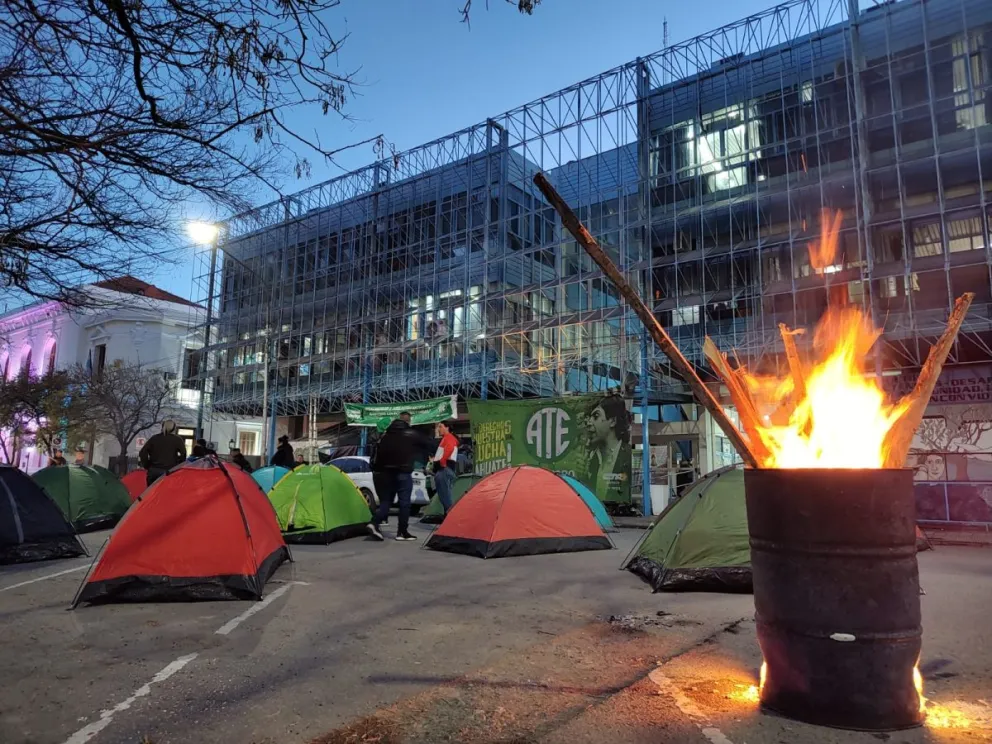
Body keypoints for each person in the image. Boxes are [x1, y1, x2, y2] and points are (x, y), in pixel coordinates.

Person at [367, 412, 428, 542]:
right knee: (404, 503)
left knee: (386, 501)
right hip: (403, 473)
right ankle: (402, 532)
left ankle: (374, 522)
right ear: (409, 421)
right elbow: (427, 445)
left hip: (385, 473)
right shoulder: (410, 435)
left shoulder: (385, 437)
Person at [583, 396, 632, 503]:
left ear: (613, 421)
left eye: (596, 416)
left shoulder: (628, 457)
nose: (589, 423)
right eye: (589, 417)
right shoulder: (590, 459)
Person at [138, 419, 187, 486]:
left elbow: (143, 453)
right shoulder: (177, 440)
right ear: (174, 428)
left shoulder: (154, 438)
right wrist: (177, 464)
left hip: (154, 471)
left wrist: (147, 465)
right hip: (169, 471)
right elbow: (183, 454)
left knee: (152, 491)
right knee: (167, 491)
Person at [430, 420, 459, 518]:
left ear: (447, 428)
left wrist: (442, 462)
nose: (438, 429)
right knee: (445, 496)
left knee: (445, 497)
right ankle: (449, 517)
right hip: (445, 469)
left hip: (444, 470)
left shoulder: (448, 438)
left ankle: (451, 517)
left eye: (440, 426)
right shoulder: (448, 438)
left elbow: (449, 448)